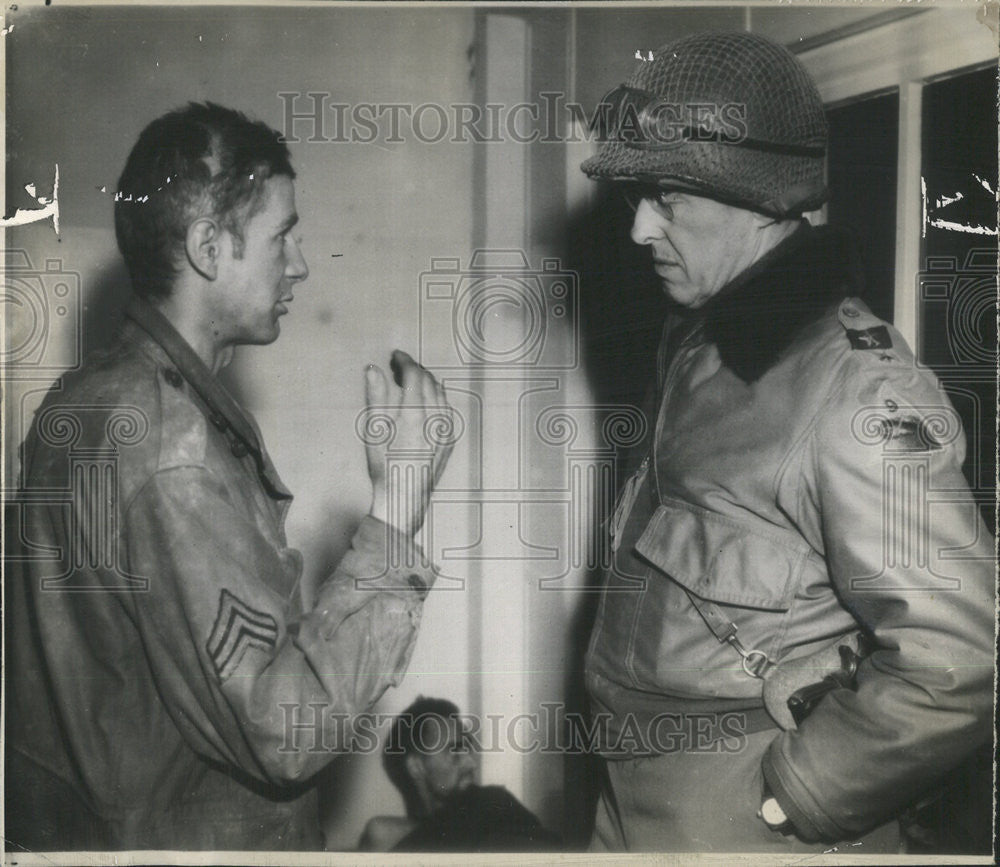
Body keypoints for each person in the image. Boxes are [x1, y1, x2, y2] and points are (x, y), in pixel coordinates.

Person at [579, 32, 995, 852]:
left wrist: (798, 797)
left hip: (743, 814)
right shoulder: (696, 344)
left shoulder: (857, 389)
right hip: (631, 797)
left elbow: (961, 653)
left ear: (763, 198)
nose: (639, 231)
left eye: (668, 198)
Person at [5, 103, 453, 851]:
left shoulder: (90, 400)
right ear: (210, 247)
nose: (301, 262)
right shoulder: (167, 448)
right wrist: (401, 503)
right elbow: (285, 730)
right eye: (282, 235)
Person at [359, 697, 561, 852]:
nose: (471, 763)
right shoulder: (384, 835)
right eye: (454, 751)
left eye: (468, 749)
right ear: (416, 766)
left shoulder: (496, 803)